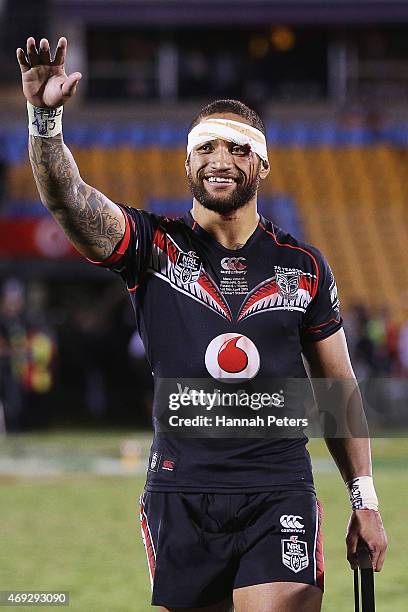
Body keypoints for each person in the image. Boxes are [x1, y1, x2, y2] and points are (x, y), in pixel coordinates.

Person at [17, 37, 387, 612]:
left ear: (262, 164)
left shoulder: (304, 266)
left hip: (278, 489)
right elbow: (69, 201)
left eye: (238, 148)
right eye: (205, 147)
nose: (220, 159)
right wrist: (45, 119)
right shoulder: (151, 246)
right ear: (186, 162)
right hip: (181, 492)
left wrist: (364, 501)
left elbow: (337, 390)